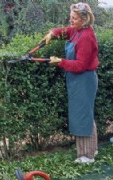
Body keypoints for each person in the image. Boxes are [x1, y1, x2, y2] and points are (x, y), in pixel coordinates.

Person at [41, 2, 99, 163]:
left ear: (83, 19)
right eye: (71, 17)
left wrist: (60, 62)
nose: (71, 20)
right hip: (77, 80)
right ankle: (91, 151)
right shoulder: (78, 31)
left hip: (84, 79)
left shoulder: (86, 37)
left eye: (74, 18)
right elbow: (67, 31)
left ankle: (86, 156)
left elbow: (80, 65)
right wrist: (52, 33)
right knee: (84, 114)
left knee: (83, 116)